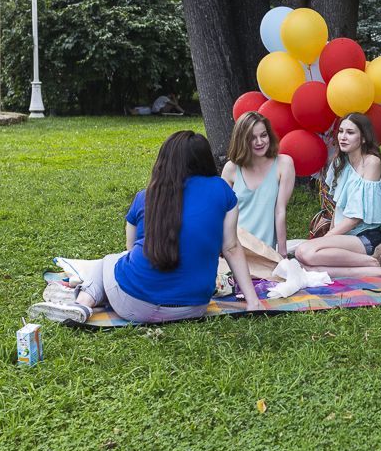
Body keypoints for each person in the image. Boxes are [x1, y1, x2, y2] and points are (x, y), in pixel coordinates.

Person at [28, 131, 261, 323]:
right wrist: (253, 302)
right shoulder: (222, 190)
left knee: (108, 262)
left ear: (165, 160)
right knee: (117, 269)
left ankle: (82, 305)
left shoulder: (145, 196)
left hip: (133, 306)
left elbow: (130, 252)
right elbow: (231, 247)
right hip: (193, 308)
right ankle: (89, 298)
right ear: (205, 159)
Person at [295, 113, 381, 279]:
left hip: (365, 237)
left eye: (350, 133)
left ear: (363, 138)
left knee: (304, 251)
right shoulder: (339, 163)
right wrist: (331, 237)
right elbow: (338, 206)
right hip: (345, 235)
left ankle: (374, 258)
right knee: (304, 265)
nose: (343, 137)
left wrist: (325, 240)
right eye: (341, 131)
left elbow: (356, 217)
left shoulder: (371, 162)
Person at [221, 111, 296, 256]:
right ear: (242, 140)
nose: (260, 142)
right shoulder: (231, 169)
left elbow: (280, 211)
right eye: (252, 138)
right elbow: (223, 214)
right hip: (236, 248)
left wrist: (282, 253)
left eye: (263, 135)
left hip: (265, 251)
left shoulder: (284, 164)